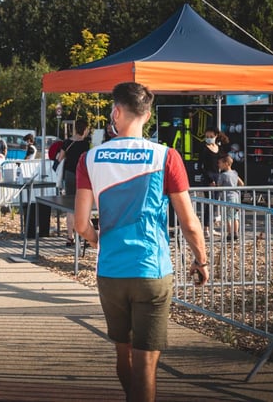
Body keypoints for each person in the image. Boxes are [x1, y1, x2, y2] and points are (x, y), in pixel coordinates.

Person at [74, 82, 209, 402]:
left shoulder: (90, 158)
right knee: (147, 365)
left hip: (110, 271)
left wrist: (96, 241)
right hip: (151, 268)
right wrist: (200, 259)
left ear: (117, 112)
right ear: (147, 115)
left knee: (125, 356)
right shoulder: (166, 157)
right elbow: (189, 223)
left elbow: (80, 224)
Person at [56, 119, 91, 246]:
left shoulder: (67, 142)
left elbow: (60, 158)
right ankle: (84, 235)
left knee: (70, 206)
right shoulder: (87, 144)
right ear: (85, 129)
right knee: (84, 205)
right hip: (83, 176)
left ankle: (70, 237)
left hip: (69, 174)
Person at [198, 127, 230, 237]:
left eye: (211, 137)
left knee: (215, 203)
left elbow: (225, 160)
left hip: (218, 177)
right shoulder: (203, 148)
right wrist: (210, 179)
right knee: (209, 203)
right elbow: (200, 166)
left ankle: (211, 227)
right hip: (208, 178)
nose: (209, 139)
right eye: (207, 137)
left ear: (216, 136)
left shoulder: (219, 148)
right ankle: (206, 228)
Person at [217, 153, 244, 240]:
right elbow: (241, 183)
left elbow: (219, 186)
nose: (219, 165)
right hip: (236, 197)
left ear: (226, 164)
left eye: (220, 163)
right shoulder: (235, 173)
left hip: (227, 198)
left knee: (227, 217)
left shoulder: (223, 175)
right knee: (235, 216)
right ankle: (236, 233)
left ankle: (229, 233)